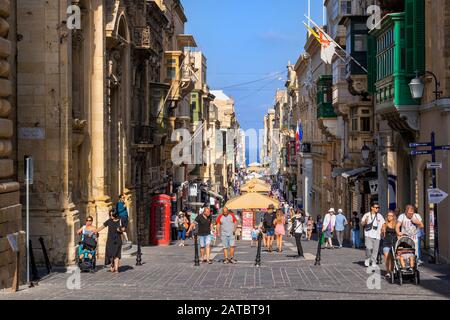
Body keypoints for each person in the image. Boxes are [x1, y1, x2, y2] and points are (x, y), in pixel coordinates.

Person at [361, 202, 385, 267]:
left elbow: (383, 224)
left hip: (377, 235)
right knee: (368, 248)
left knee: (375, 250)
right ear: (372, 207)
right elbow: (362, 223)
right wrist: (365, 222)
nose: (377, 209)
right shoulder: (367, 215)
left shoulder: (380, 216)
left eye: (378, 207)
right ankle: (368, 258)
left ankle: (374, 261)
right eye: (376, 207)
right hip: (368, 235)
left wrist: (383, 230)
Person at [381, 210, 397, 279]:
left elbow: (398, 233)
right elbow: (382, 234)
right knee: (387, 258)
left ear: (393, 217)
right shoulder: (384, 224)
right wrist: (382, 231)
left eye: (391, 216)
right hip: (386, 243)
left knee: (393, 259)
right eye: (388, 216)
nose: (389, 217)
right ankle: (388, 272)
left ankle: (392, 271)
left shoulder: (396, 224)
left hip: (394, 243)